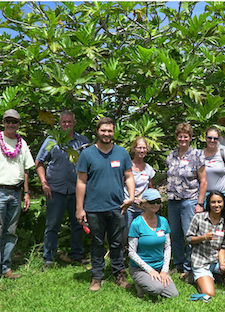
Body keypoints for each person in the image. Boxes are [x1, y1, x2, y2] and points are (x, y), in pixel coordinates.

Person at [76, 117, 135, 292]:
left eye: (109, 131)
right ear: (97, 131)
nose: (107, 134)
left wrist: (131, 197)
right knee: (97, 243)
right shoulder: (87, 154)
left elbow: (129, 176)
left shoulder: (121, 153)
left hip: (117, 207)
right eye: (103, 130)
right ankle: (97, 277)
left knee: (117, 243)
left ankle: (119, 274)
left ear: (113, 132)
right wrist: (80, 208)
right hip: (94, 208)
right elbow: (80, 182)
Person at [36, 111, 90, 267]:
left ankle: (77, 255)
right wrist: (44, 182)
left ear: (74, 123)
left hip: (76, 190)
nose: (66, 124)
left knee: (78, 224)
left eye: (69, 122)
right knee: (52, 225)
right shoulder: (51, 140)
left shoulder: (82, 141)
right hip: (55, 190)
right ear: (59, 124)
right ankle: (49, 258)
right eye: (63, 122)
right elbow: (38, 162)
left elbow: (88, 166)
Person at [186, 191, 225, 296]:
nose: (216, 205)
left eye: (219, 202)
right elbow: (188, 238)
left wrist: (222, 263)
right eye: (213, 202)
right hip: (201, 262)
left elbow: (222, 248)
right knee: (209, 293)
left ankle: (217, 274)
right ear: (208, 204)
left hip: (216, 261)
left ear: (224, 203)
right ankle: (194, 276)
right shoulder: (199, 218)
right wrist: (203, 237)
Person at [166, 123, 206, 278]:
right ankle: (178, 264)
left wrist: (200, 203)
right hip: (172, 200)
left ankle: (190, 266)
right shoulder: (171, 155)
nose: (182, 139)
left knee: (189, 235)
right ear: (176, 137)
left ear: (190, 138)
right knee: (175, 234)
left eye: (186, 136)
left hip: (189, 200)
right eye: (180, 136)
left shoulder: (197, 155)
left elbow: (203, 181)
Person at [0, 109, 34, 279]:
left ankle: (6, 268)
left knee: (10, 232)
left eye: (14, 121)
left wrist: (27, 193)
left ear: (19, 124)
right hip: (0, 191)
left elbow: (26, 170)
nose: (11, 124)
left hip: (16, 192)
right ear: (3, 122)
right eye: (8, 121)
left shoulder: (22, 143)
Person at [128, 189, 178, 298]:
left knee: (173, 294)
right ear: (144, 204)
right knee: (157, 289)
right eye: (151, 202)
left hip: (159, 267)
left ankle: (156, 280)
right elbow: (131, 252)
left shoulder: (163, 221)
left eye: (158, 201)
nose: (155, 204)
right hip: (140, 268)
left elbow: (167, 247)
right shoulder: (136, 223)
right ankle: (140, 285)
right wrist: (150, 271)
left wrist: (164, 270)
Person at [203, 126, 225, 255]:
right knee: (208, 224)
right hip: (206, 196)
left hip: (222, 195)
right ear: (205, 138)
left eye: (215, 138)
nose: (212, 140)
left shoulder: (224, 154)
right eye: (209, 138)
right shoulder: (199, 155)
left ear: (218, 139)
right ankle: (209, 251)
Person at [124, 136, 155, 232]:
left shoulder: (149, 169)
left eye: (144, 148)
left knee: (141, 234)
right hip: (128, 208)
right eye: (139, 148)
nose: (142, 150)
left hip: (143, 209)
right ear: (134, 149)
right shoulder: (127, 167)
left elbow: (150, 188)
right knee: (128, 233)